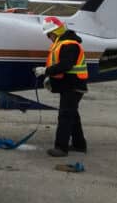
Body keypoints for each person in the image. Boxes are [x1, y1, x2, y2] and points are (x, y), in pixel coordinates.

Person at [33, 16, 88, 157]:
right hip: (71, 86)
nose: (48, 38)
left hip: (73, 86)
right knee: (72, 115)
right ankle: (79, 145)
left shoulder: (69, 45)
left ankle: (61, 148)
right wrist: (51, 78)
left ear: (55, 32)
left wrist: (46, 71)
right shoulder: (63, 43)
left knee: (65, 116)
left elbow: (65, 65)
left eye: (49, 35)